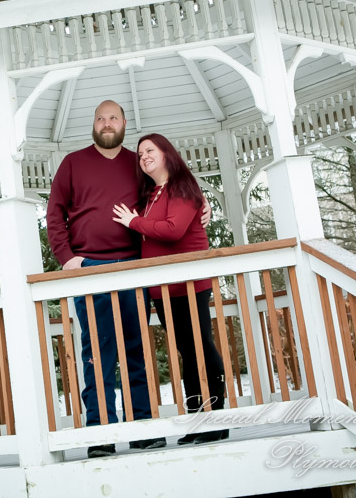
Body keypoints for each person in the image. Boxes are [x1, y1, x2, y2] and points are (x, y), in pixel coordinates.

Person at [46, 100, 165, 459]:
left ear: (124, 123)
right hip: (91, 269)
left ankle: (143, 428)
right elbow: (54, 214)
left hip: (133, 266)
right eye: (101, 118)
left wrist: (201, 207)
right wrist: (67, 258)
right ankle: (101, 433)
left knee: (136, 351)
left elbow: (168, 192)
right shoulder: (72, 164)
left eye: (113, 117)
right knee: (97, 354)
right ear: (94, 125)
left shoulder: (138, 162)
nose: (107, 123)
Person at [112, 133, 229, 445]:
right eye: (139, 154)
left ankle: (216, 419)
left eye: (150, 150)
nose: (144, 157)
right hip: (163, 290)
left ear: (166, 153)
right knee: (188, 353)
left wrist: (133, 222)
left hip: (189, 284)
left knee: (201, 347)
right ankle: (197, 422)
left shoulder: (182, 186)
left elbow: (173, 230)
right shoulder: (152, 194)